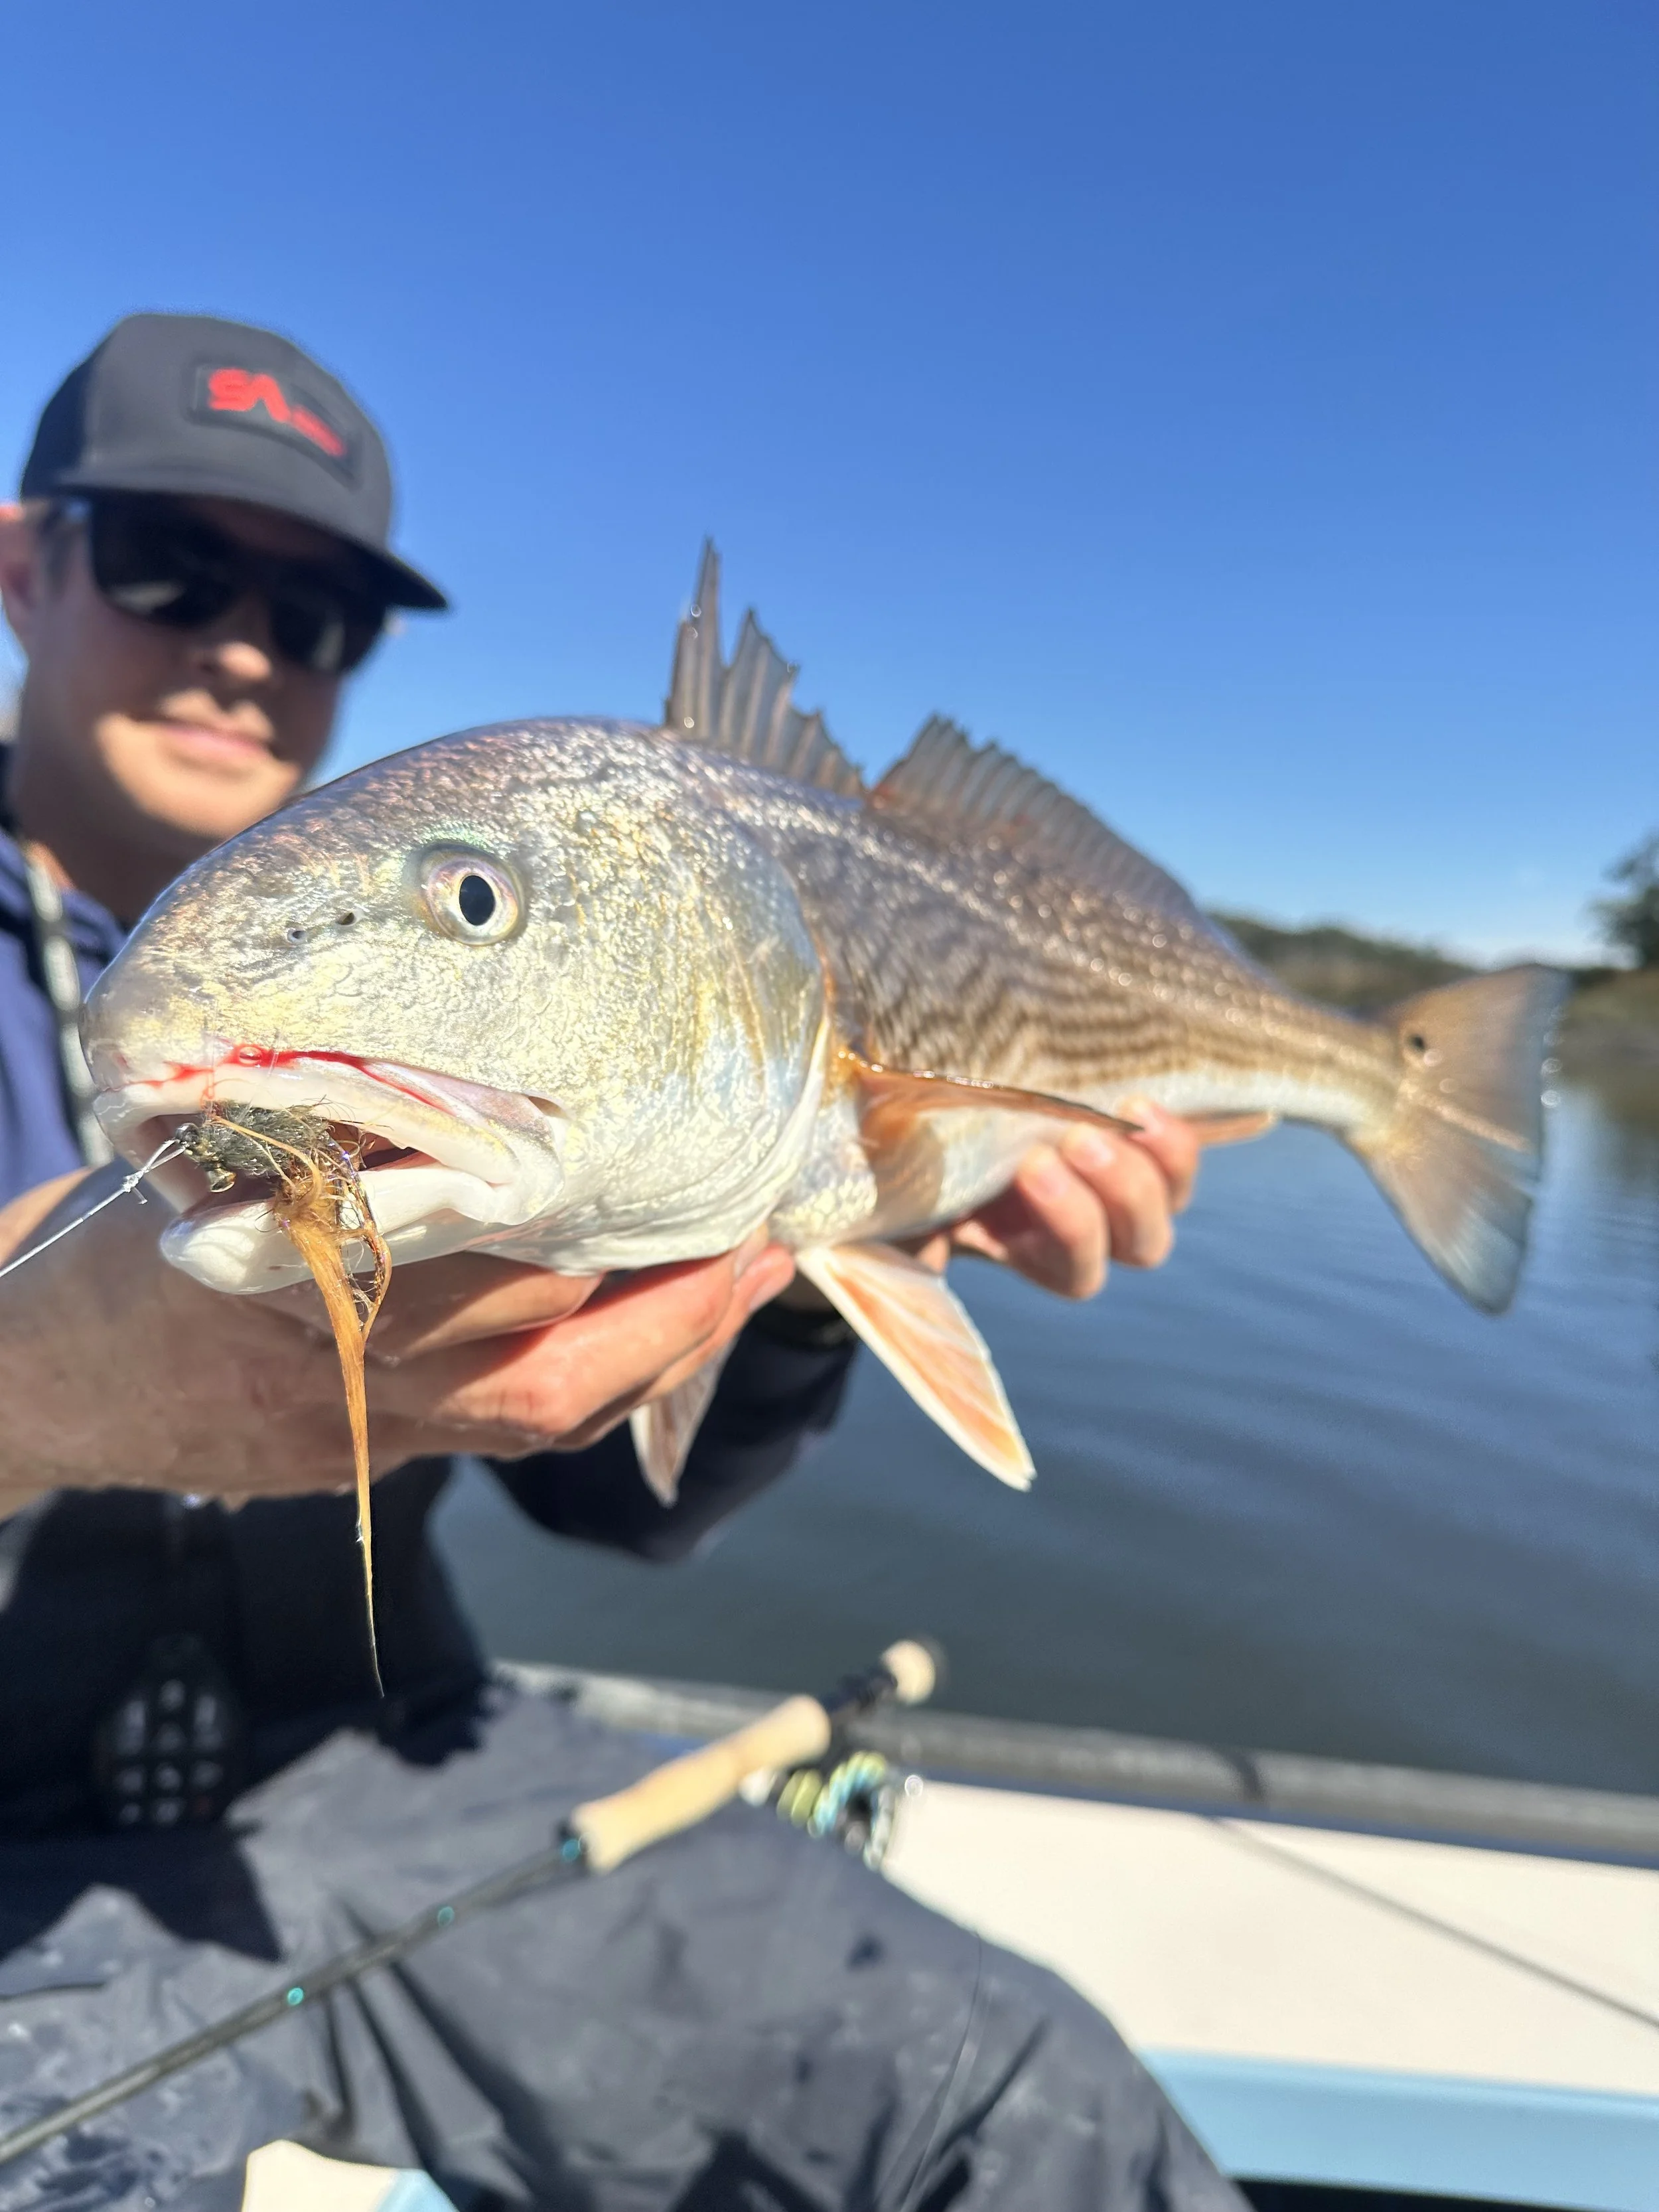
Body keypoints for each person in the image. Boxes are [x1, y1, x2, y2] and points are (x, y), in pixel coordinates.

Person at [0, 315, 1239, 2211]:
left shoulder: (517, 1022)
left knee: (1037, 2110)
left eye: (318, 608)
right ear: (25, 561)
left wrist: (817, 1257)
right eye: (173, 563)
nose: (244, 647)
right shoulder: (283, 974)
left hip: (399, 1757)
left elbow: (613, 1511)